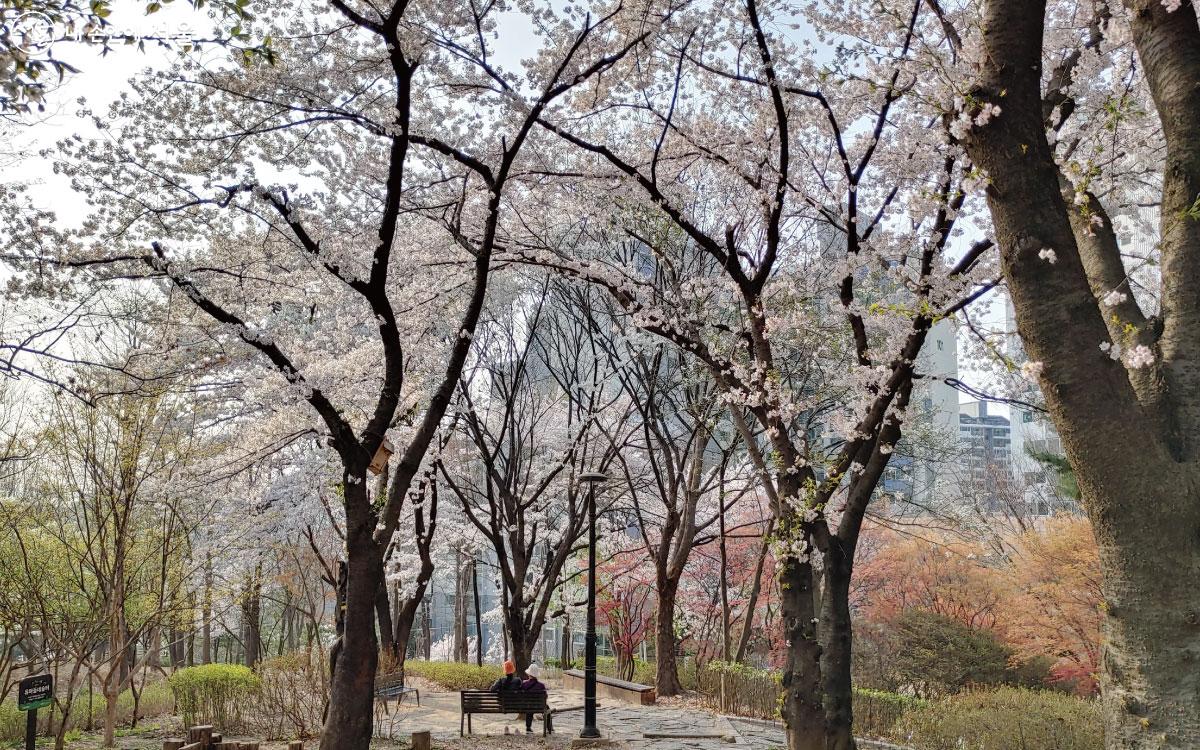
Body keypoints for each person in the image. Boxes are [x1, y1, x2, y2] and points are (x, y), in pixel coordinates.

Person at [519, 663, 548, 734]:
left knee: (529, 706)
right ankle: (549, 727)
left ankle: (528, 728)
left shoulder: (524, 684)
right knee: (548, 708)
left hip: (526, 706)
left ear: (529, 674)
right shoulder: (541, 686)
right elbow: (545, 696)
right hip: (539, 706)